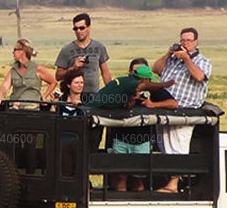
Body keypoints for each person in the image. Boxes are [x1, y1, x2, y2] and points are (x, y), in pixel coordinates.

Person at [85, 59, 177, 191]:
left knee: (138, 178)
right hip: (120, 138)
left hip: (142, 140)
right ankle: (120, 201)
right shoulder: (127, 85)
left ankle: (137, 203)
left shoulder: (147, 88)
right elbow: (126, 104)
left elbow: (173, 104)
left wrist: (153, 104)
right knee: (120, 176)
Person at [151, 27, 212, 193]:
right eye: (182, 40)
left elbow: (199, 77)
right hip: (165, 107)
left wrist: (186, 59)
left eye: (188, 40)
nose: (184, 43)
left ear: (196, 42)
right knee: (165, 145)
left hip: (185, 111)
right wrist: (168, 54)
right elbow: (155, 69)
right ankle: (169, 183)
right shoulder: (172, 60)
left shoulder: (202, 61)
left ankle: (174, 184)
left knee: (178, 145)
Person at [54, 12, 113, 94]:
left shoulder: (99, 47)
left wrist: (111, 92)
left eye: (82, 28)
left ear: (89, 27)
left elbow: (105, 72)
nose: (78, 31)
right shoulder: (66, 49)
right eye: (75, 29)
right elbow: (58, 76)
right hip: (73, 96)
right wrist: (73, 68)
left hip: (93, 95)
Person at [0, 39, 56, 104]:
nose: (13, 52)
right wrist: (0, 96)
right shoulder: (13, 70)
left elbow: (53, 82)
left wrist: (44, 96)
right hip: (14, 107)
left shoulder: (37, 69)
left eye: (15, 50)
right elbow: (5, 85)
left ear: (22, 51)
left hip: (31, 109)